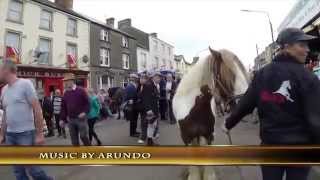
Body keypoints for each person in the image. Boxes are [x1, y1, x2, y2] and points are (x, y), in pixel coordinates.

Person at [222, 28, 320, 180]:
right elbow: (316, 118)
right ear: (286, 46)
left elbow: (245, 104)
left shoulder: (262, 74)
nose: (307, 49)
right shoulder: (308, 77)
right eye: (302, 45)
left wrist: (228, 124)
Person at [0, 60, 53, 180]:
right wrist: (2, 134)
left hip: (26, 134)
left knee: (34, 170)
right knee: (18, 171)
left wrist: (39, 134)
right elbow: (5, 115)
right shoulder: (4, 90)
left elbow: (37, 109)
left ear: (6, 70)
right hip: (10, 135)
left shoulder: (25, 84)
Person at [60, 73, 91, 146]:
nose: (65, 83)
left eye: (66, 81)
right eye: (64, 81)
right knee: (74, 140)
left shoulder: (81, 90)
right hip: (71, 120)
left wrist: (84, 112)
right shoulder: (66, 93)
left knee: (83, 136)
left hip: (81, 119)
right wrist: (62, 119)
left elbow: (88, 103)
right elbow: (63, 107)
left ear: (72, 81)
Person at [144, 71, 161, 146]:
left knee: (153, 125)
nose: (160, 79)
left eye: (160, 77)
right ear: (154, 77)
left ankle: (151, 142)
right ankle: (150, 143)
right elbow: (145, 98)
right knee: (151, 125)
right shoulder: (149, 85)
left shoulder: (154, 85)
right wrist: (148, 110)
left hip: (155, 109)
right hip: (151, 110)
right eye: (158, 77)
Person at [136, 73, 149, 144]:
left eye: (143, 78)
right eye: (140, 78)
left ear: (146, 80)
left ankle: (143, 137)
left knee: (144, 123)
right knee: (143, 122)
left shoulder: (148, 86)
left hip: (147, 108)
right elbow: (137, 94)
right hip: (141, 108)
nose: (141, 79)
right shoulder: (139, 86)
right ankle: (145, 135)